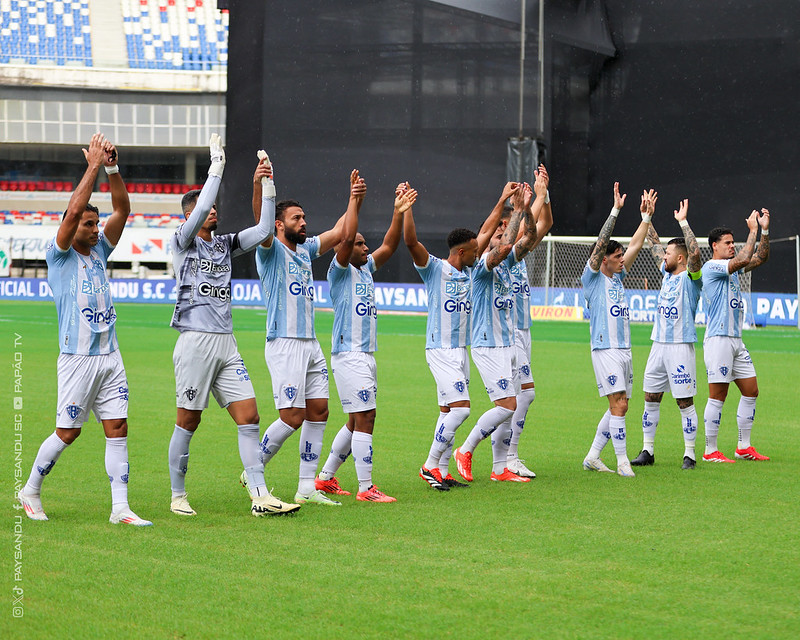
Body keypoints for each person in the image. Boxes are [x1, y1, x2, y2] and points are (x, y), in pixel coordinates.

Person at [17, 134, 151, 526]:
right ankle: (30, 491)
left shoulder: (100, 252)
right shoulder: (58, 255)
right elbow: (74, 210)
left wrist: (111, 168)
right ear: (72, 226)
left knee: (118, 427)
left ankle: (120, 508)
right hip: (77, 359)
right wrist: (91, 165)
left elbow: (123, 210)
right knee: (67, 432)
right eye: (89, 224)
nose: (95, 229)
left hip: (110, 355)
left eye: (96, 224)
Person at [168, 138, 299, 517]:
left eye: (213, 209)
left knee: (250, 417)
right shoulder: (183, 241)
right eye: (204, 210)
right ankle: (178, 496)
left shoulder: (224, 244)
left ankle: (260, 496)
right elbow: (203, 206)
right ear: (191, 214)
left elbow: (262, 230)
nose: (213, 213)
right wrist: (217, 166)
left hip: (226, 343)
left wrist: (267, 184)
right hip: (195, 342)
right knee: (188, 421)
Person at [250, 169, 366, 506]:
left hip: (311, 343)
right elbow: (260, 219)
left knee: (319, 411)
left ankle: (305, 487)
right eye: (296, 218)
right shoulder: (269, 250)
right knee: (292, 417)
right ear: (278, 224)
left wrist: (354, 197)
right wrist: (260, 184)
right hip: (284, 342)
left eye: (304, 217)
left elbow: (342, 230)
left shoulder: (305, 251)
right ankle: (254, 471)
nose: (304, 223)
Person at [405, 181, 516, 491]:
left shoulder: (469, 271)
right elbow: (411, 241)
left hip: (460, 350)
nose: (479, 252)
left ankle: (441, 471)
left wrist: (502, 198)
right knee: (462, 409)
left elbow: (487, 229)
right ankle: (429, 465)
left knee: (447, 411)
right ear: (463, 251)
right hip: (439, 349)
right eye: (475, 250)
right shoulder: (434, 269)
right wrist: (405, 211)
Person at [314, 183, 416, 502]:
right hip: (350, 354)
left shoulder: (367, 269)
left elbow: (390, 242)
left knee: (355, 419)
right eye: (358, 244)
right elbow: (345, 237)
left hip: (365, 355)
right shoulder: (339, 271)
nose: (364, 247)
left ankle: (326, 478)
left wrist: (398, 212)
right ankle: (365, 487)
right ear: (344, 249)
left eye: (364, 244)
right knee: (367, 417)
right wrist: (354, 204)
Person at [460, 166, 554, 479]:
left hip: (511, 340)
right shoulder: (484, 266)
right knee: (508, 403)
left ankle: (502, 464)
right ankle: (468, 450)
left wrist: (537, 200)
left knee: (523, 397)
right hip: (490, 344)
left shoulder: (508, 262)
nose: (504, 239)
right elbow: (508, 242)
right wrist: (517, 208)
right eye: (498, 235)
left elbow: (528, 237)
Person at [580, 185, 652, 478]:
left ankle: (593, 456)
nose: (623, 259)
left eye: (622, 255)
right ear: (605, 259)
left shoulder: (618, 279)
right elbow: (600, 243)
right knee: (619, 405)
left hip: (624, 349)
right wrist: (616, 210)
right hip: (605, 348)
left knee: (621, 405)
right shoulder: (593, 278)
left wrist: (646, 218)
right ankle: (622, 462)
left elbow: (635, 244)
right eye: (617, 256)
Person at [630, 198, 703, 470]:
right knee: (650, 397)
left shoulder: (692, 278)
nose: (664, 257)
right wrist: (647, 217)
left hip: (680, 346)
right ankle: (647, 451)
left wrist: (683, 222)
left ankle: (690, 454)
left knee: (684, 402)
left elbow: (695, 255)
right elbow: (654, 246)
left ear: (680, 258)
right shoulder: (667, 275)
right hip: (658, 345)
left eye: (669, 254)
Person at [701, 209, 770, 462]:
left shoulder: (732, 269)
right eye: (727, 243)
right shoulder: (711, 267)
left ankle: (743, 446)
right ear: (714, 246)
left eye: (733, 242)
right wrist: (751, 231)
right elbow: (742, 260)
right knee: (718, 395)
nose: (732, 246)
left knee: (751, 390)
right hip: (718, 338)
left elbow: (760, 257)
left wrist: (764, 230)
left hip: (736, 340)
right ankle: (710, 451)